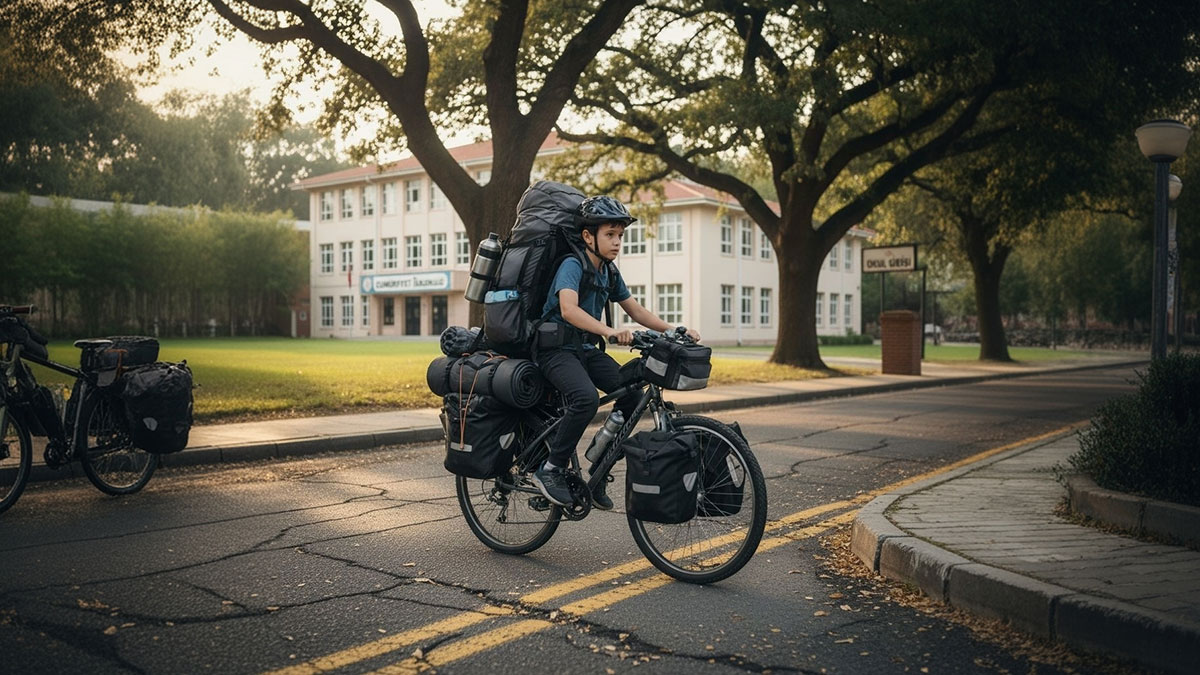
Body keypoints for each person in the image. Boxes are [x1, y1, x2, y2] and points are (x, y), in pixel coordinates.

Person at [531, 195, 701, 509]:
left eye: (620, 235)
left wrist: (674, 330)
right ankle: (550, 469)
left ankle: (598, 471)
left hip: (584, 349)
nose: (617, 242)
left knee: (632, 394)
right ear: (588, 236)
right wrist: (608, 331)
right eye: (610, 234)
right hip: (554, 350)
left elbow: (635, 310)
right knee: (585, 399)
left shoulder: (609, 272)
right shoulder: (572, 264)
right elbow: (568, 309)